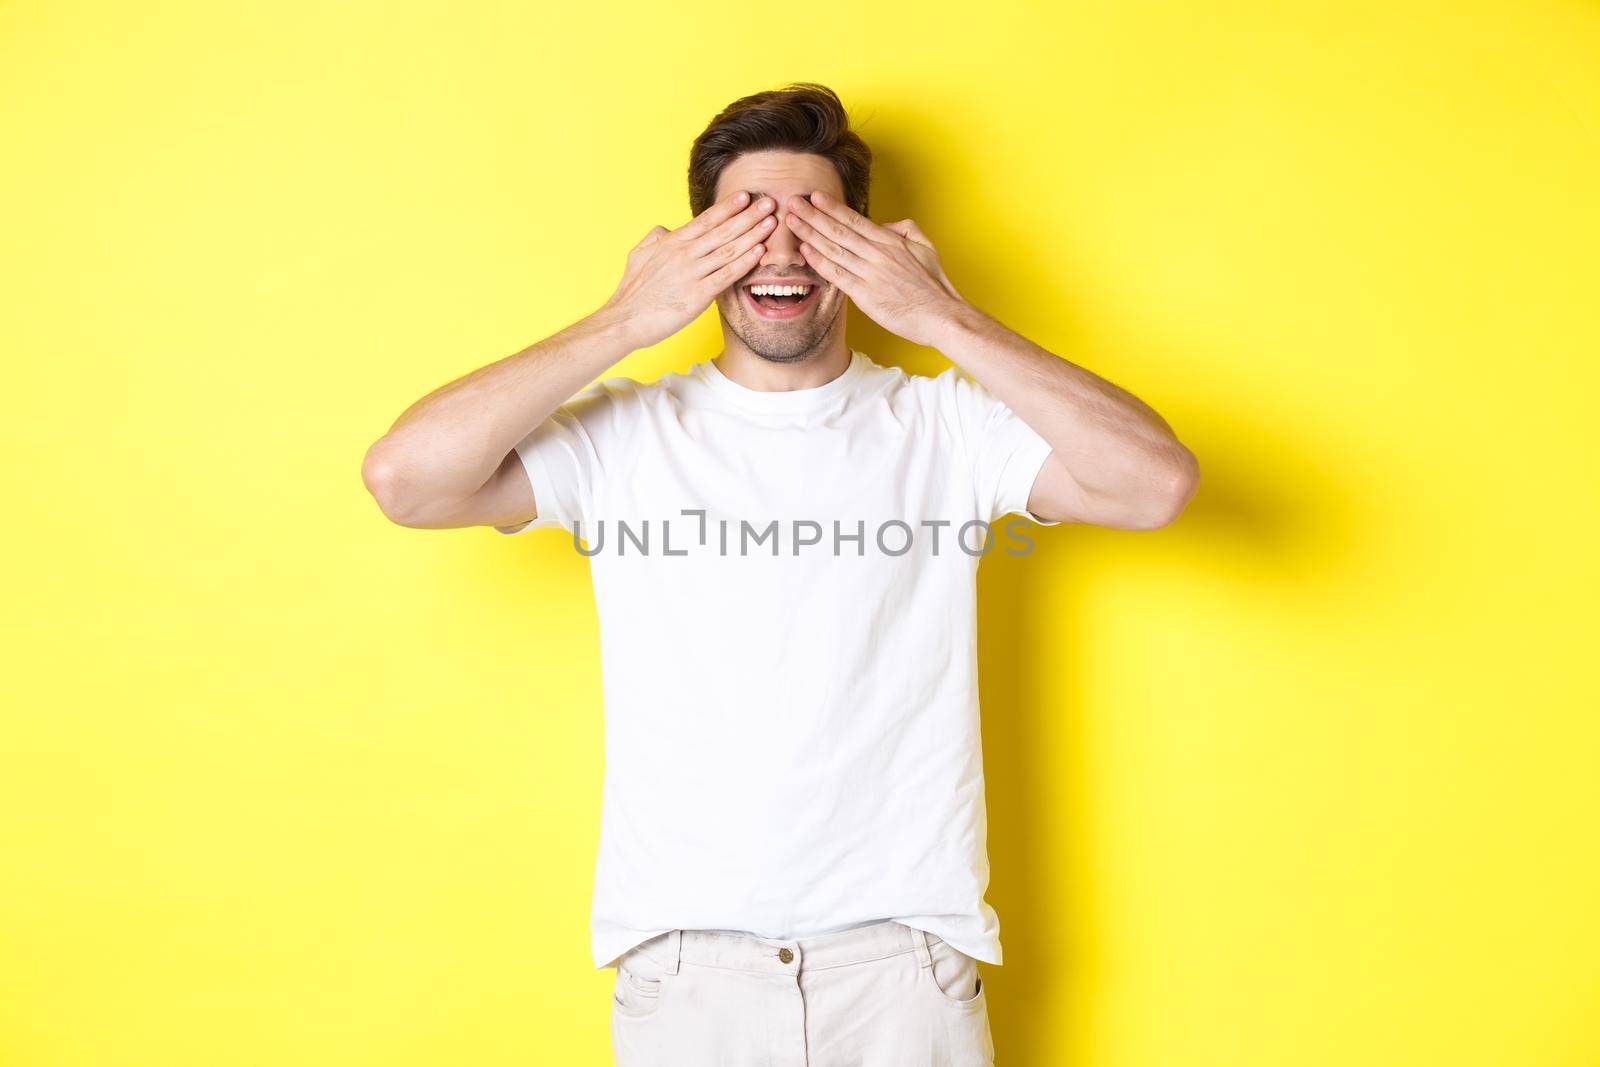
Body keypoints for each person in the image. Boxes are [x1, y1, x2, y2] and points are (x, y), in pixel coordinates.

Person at [361, 81, 1198, 1066]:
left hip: (903, 972)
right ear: (693, 251)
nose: (785, 252)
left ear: (869, 246)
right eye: (745, 225)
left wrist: (943, 316)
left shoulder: (946, 427)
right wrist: (624, 319)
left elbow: (1153, 484)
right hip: (687, 977)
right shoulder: (625, 437)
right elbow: (404, 478)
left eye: (818, 224)